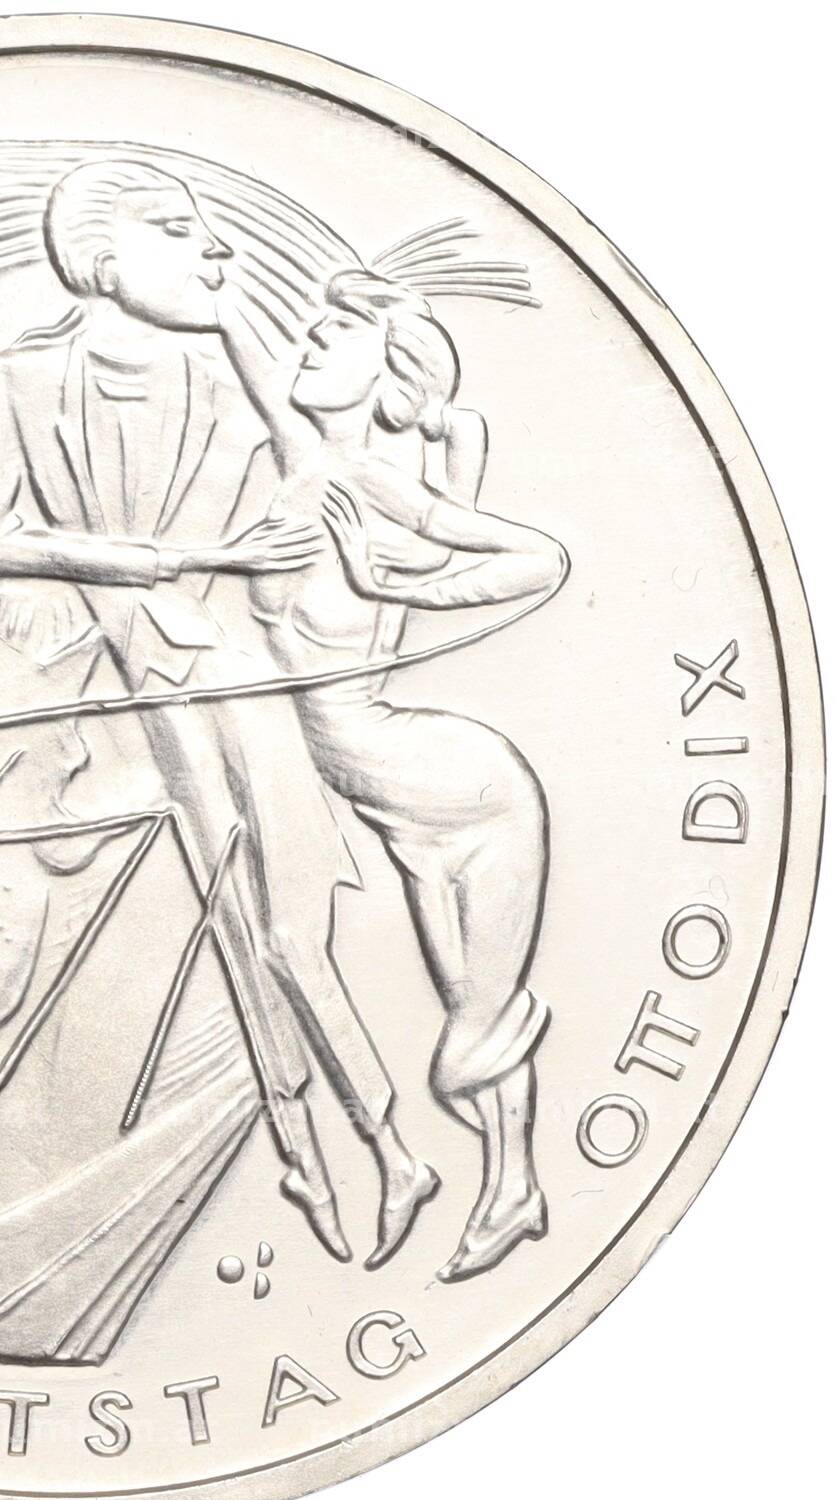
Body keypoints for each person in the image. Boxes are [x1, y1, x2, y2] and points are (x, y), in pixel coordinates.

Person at [0, 160, 438, 1267]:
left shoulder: (226, 383)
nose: (215, 250)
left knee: (285, 927)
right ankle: (310, 1155)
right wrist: (188, 556)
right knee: (230, 925)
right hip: (132, 685)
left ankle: (386, 1147)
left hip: (229, 673)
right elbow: (2, 542)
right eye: (178, 229)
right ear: (99, 257)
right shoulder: (14, 381)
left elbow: (311, 471)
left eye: (210, 232)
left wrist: (232, 326)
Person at [224, 267, 569, 1279]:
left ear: (390, 373)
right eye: (314, 322)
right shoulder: (292, 465)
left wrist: (391, 580)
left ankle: (510, 1185)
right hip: (394, 802)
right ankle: (514, 1190)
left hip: (467, 790)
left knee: (471, 1036)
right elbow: (251, 362)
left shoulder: (377, 487)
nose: (311, 337)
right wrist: (217, 298)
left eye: (339, 330)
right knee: (469, 1005)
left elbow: (541, 560)